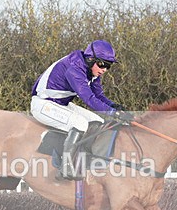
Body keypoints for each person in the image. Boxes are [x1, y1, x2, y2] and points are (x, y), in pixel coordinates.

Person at [31, 40, 133, 179]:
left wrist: (114, 106)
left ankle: (83, 159)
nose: (104, 70)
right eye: (102, 64)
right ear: (91, 59)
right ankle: (65, 168)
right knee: (80, 124)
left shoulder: (92, 71)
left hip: (61, 104)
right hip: (43, 105)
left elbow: (98, 95)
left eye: (108, 66)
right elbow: (89, 98)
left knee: (97, 120)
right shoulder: (74, 69)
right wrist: (112, 112)